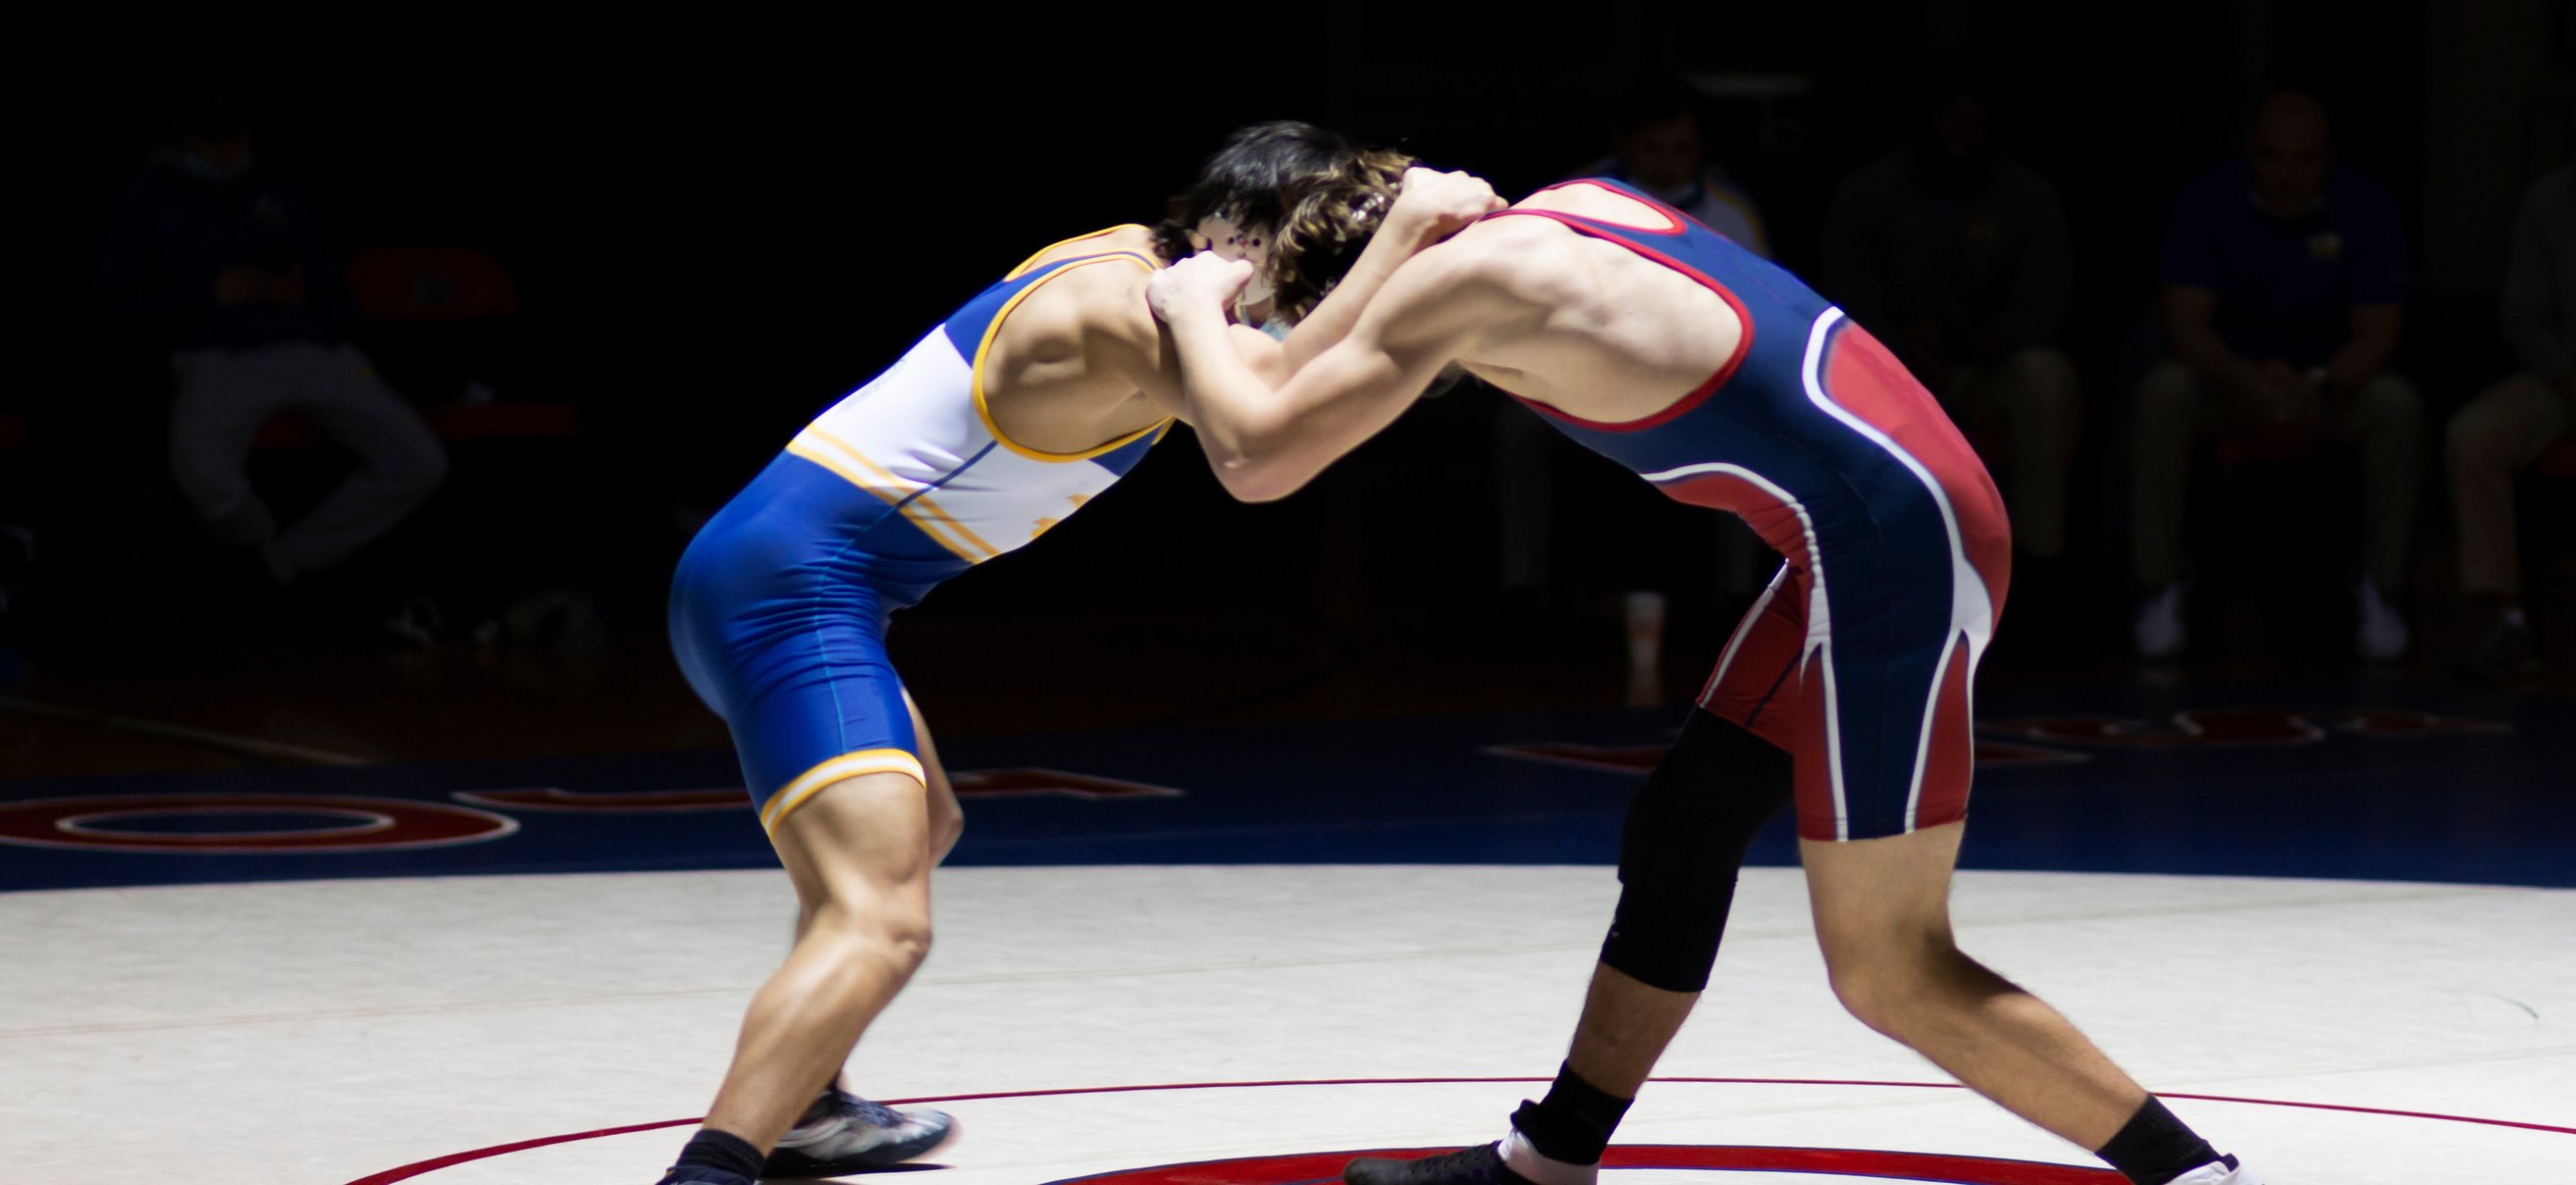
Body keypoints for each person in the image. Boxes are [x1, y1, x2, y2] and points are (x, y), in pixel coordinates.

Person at [1147, 175, 2262, 1185]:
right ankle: (1552, 1156)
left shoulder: (1464, 284)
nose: (1286, 340)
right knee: (1685, 825)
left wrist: (1194, 309)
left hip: (1889, 548)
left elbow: (1258, 455)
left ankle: (2192, 1172)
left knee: (1888, 967)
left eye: (1275, 307)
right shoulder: (1565, 209)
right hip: (1879, 523)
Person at [652, 124, 1498, 1185]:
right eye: (1290, 269)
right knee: (882, 919)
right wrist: (1408, 230)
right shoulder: (1123, 307)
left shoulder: (1140, 268)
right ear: (1231, 225)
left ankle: (810, 1103)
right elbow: (1264, 437)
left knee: (923, 829)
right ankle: (713, 1170)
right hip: (789, 591)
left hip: (798, 582)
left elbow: (1285, 360)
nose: (1283, 302)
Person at [89, 73, 448, 593]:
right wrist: (211, 294)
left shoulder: (278, 193)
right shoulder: (147, 200)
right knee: (207, 483)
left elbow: (336, 296)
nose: (228, 153)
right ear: (183, 134)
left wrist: (301, 295)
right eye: (214, 140)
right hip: (214, 355)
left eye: (238, 138)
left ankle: (282, 563)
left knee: (420, 459)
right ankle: (256, 551)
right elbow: (112, 308)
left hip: (308, 346)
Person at [2130, 91, 2418, 662]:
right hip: (2229, 381)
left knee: (2398, 404)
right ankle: (2159, 584)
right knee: (2163, 393)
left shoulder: (2367, 208)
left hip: (2328, 387)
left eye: (2304, 159)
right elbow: (2185, 324)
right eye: (2272, 157)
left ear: (2328, 157)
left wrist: (2319, 382)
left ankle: (2381, 589)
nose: (2288, 174)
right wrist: (2243, 377)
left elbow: (2379, 333)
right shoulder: (2206, 202)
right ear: (2249, 154)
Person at [1823, 73, 2079, 569]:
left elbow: (2046, 303)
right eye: (1947, 116)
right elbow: (1842, 297)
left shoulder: (2026, 196)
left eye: (1973, 118)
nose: (1957, 132)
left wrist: (1984, 340)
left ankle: (2037, 564)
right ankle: (1862, 569)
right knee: (1826, 376)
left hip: (1988, 371)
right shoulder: (1870, 191)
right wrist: (1900, 346)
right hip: (1886, 372)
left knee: (2047, 376)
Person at [2446, 160, 2574, 681]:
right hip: (2562, 378)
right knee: (2473, 435)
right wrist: (2566, 375)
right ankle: (2509, 615)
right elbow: (2523, 314)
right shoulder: (2550, 199)